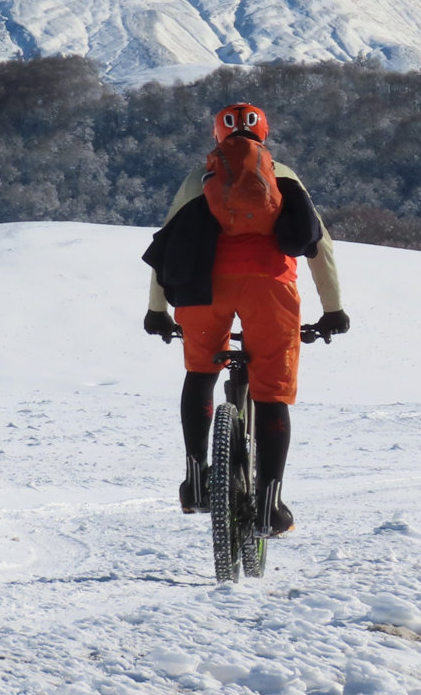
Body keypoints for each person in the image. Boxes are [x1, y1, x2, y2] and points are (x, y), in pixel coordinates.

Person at [141, 102, 349, 535]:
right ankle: (270, 508)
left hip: (204, 288)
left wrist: (157, 310)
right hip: (270, 288)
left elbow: (169, 247)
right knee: (272, 394)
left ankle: (196, 482)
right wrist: (332, 310)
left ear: (218, 136)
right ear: (264, 135)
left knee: (200, 373)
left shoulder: (199, 179)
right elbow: (319, 246)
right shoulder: (284, 175)